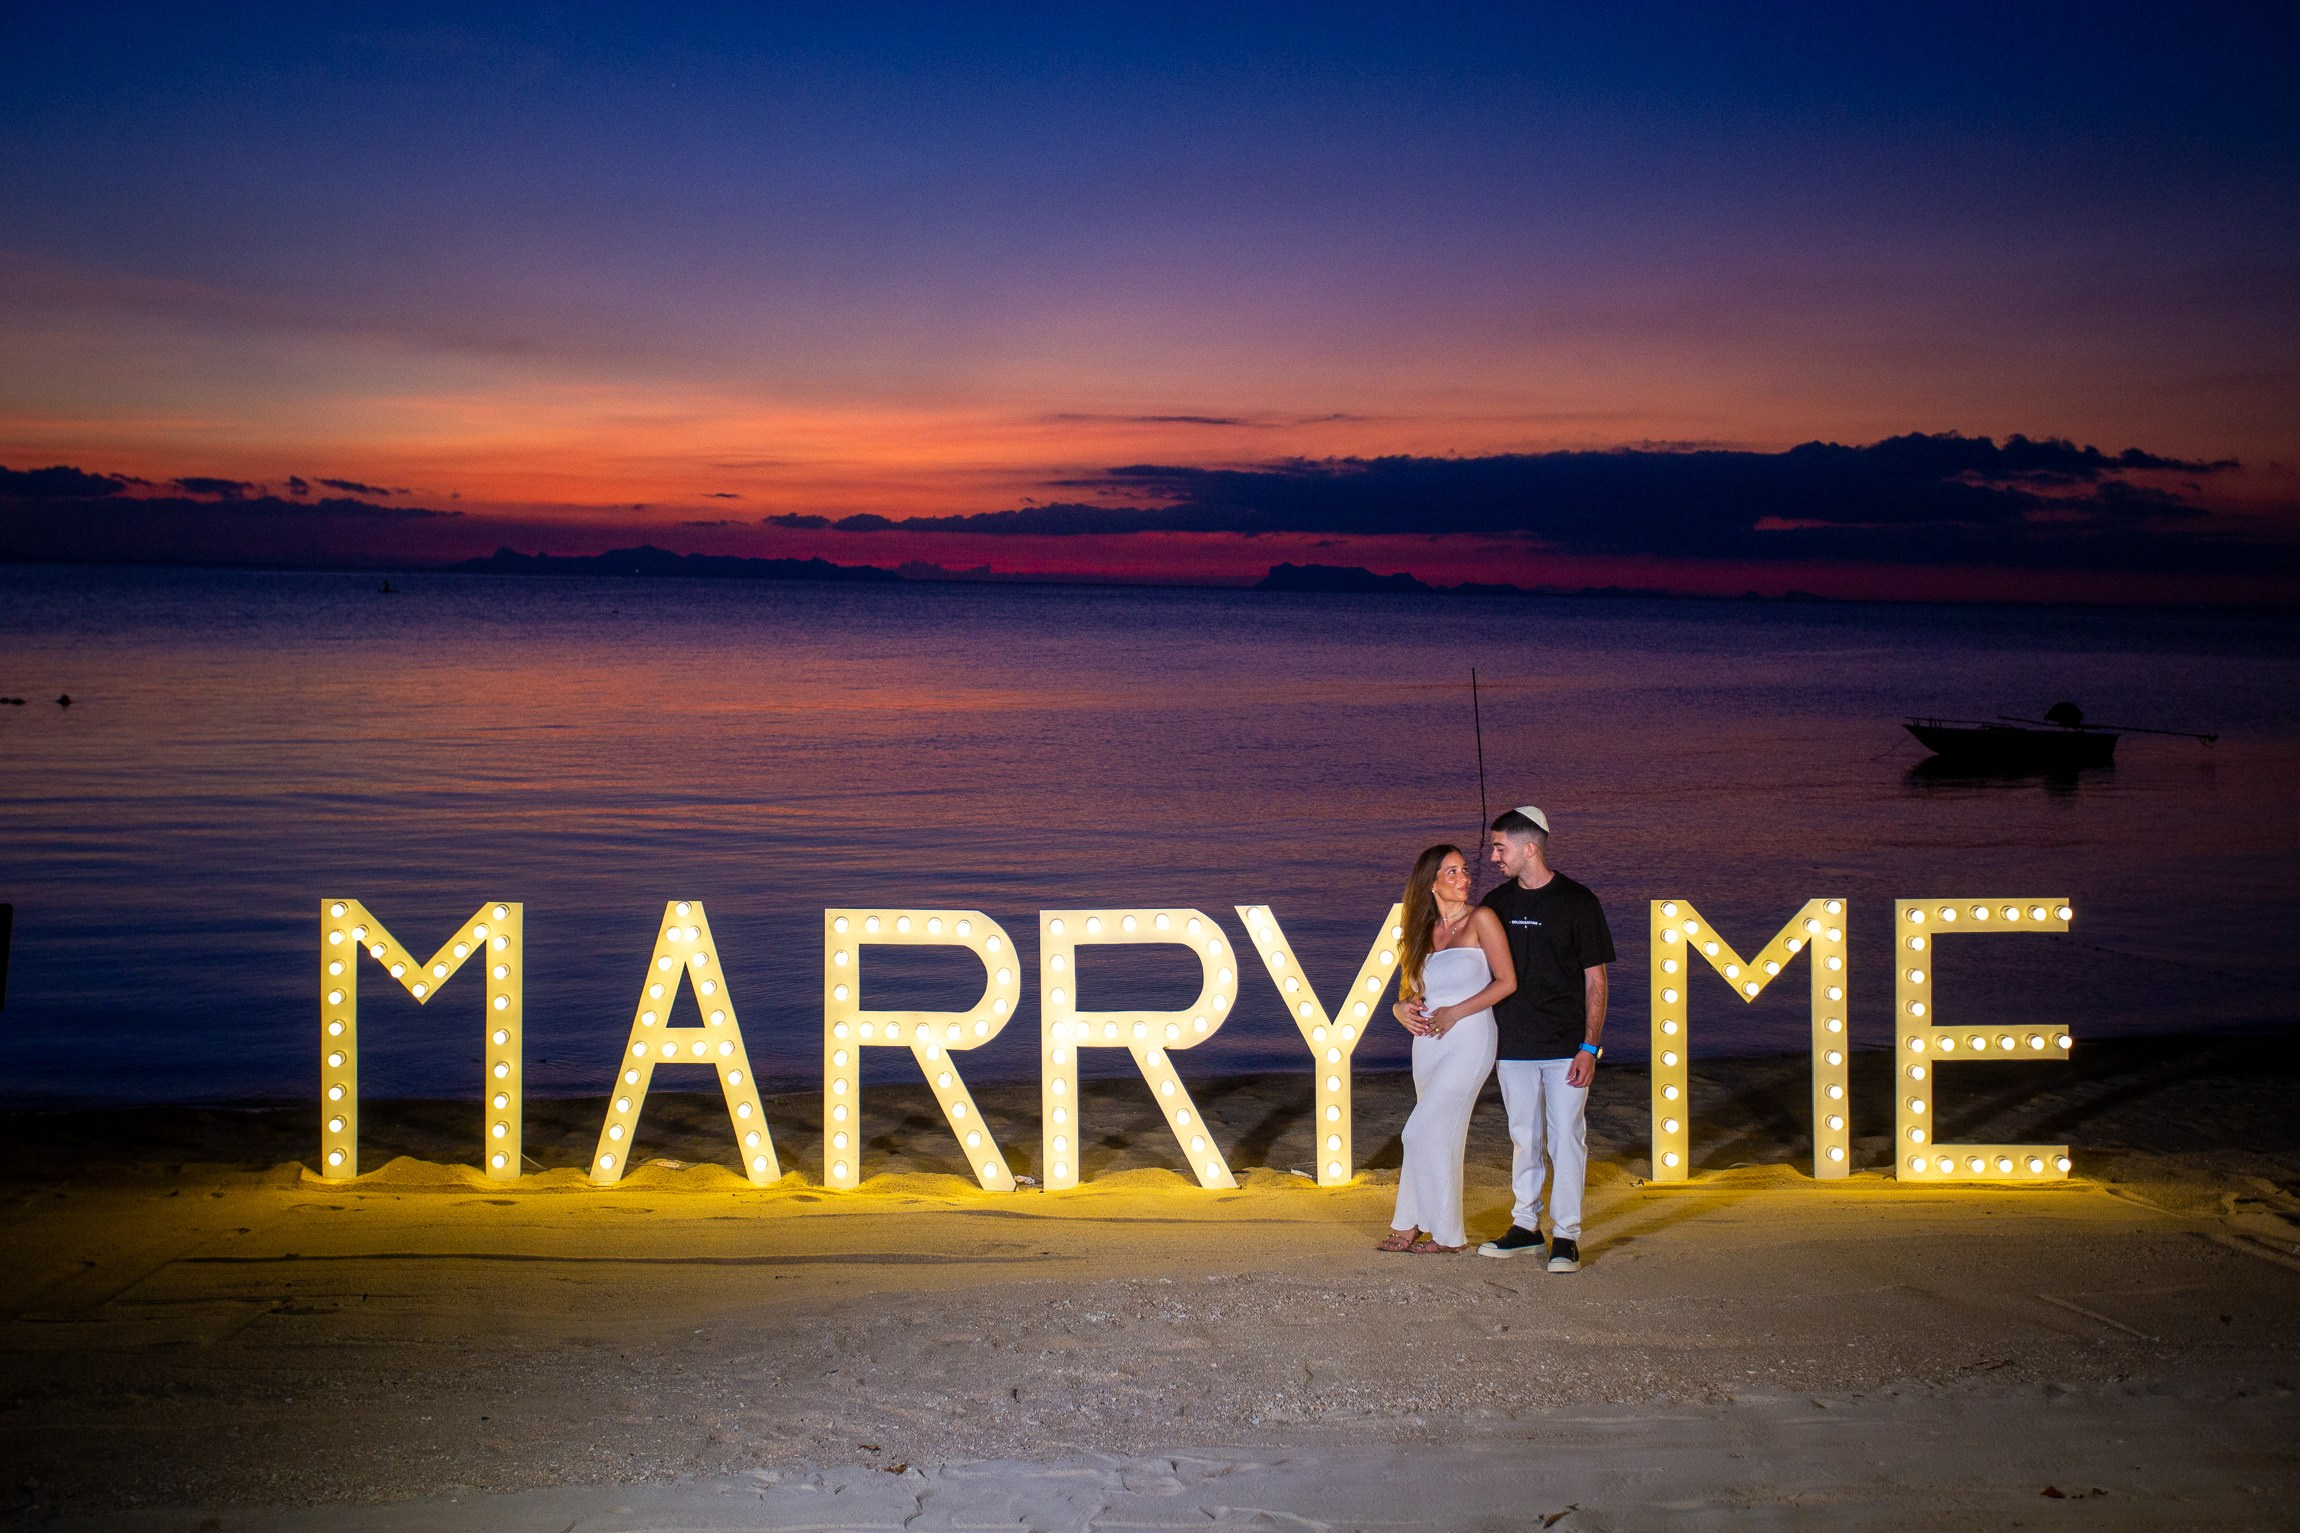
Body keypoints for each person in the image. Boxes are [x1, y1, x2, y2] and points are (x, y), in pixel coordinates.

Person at [1475, 806, 1614, 1273]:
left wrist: (1589, 1047)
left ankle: (1567, 1236)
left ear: (1529, 848)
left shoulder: (1578, 901)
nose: (1494, 856)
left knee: (1567, 1139)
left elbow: (1595, 979)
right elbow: (1473, 964)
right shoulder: (1496, 903)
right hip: (1512, 1045)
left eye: (1501, 848)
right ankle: (1526, 1227)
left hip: (1565, 1048)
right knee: (1523, 1138)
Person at [1379, 844, 1516, 1253]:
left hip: (1469, 1039)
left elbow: (1507, 982)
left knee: (1418, 1130)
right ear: (1431, 883)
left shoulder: (1481, 919)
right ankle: (1427, 1229)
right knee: (1439, 1134)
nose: (1463, 878)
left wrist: (1455, 1012)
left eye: (1464, 870)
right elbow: (1410, 992)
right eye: (1452, 872)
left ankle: (1429, 1229)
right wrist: (1399, 1009)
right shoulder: (1419, 932)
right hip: (1427, 1045)